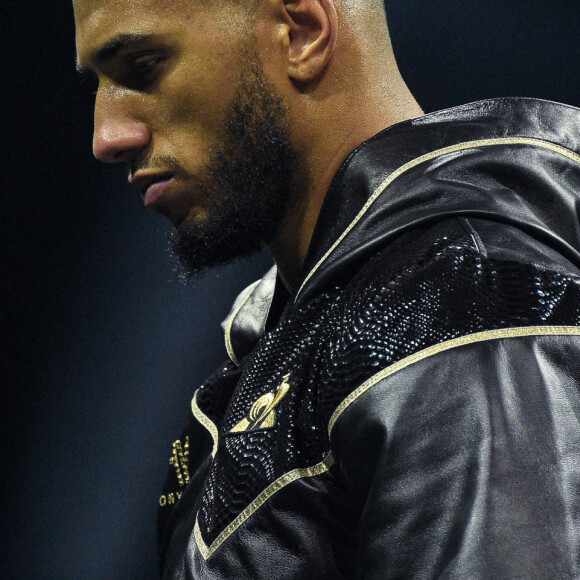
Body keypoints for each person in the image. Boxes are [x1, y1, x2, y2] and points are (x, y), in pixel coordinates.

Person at [74, 0, 580, 577]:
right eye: (97, 83)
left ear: (302, 33)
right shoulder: (313, 336)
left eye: (142, 67)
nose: (106, 136)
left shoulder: (454, 301)